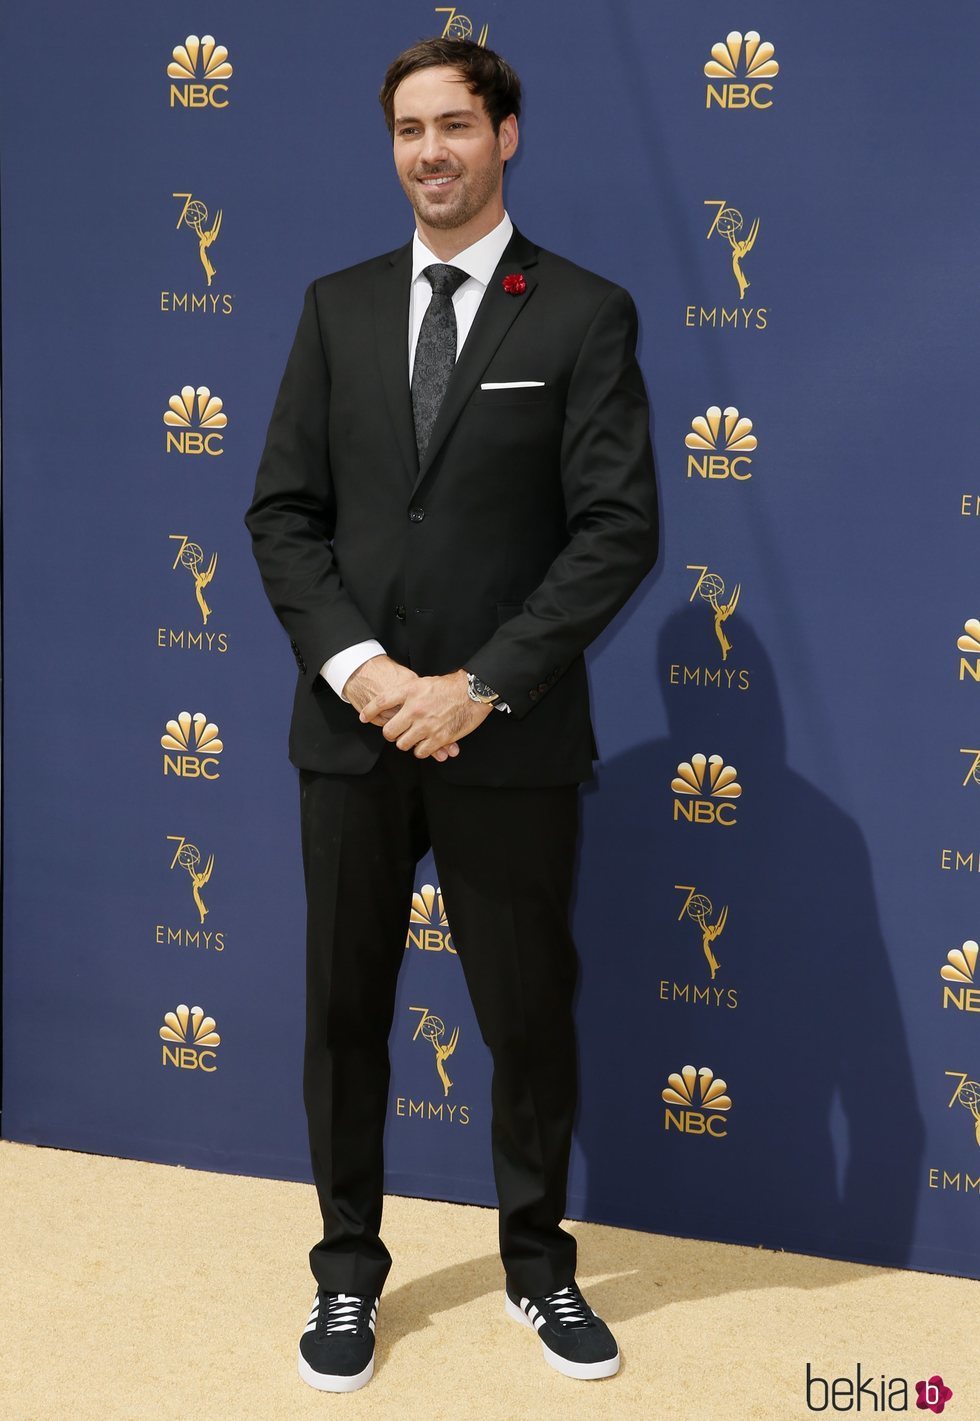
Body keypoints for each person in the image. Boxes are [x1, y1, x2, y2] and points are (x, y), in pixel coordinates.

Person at [245, 35, 659, 1393]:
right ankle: (348, 1273)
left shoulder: (585, 314)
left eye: (457, 126)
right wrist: (364, 672)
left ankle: (539, 1266)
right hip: (352, 734)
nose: (431, 152)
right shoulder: (336, 306)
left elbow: (615, 531)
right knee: (344, 1012)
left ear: (508, 135)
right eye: (409, 130)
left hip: (509, 735)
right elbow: (284, 517)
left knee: (528, 1013)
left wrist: (479, 685)